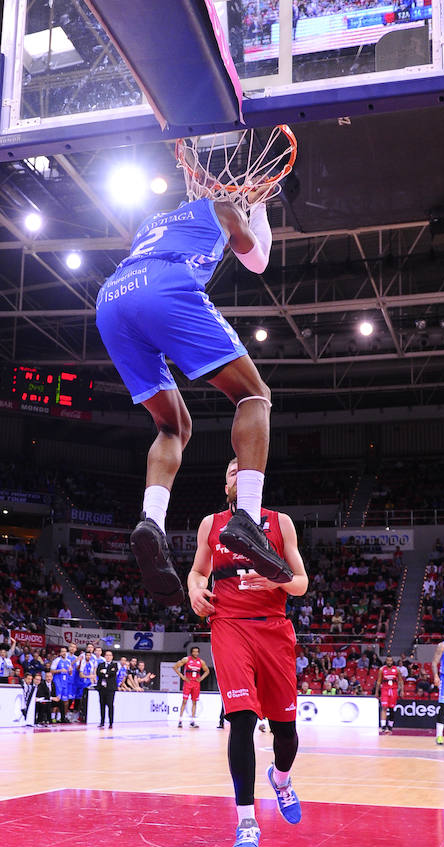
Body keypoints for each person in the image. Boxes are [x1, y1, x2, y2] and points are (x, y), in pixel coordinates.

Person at [95, 180, 292, 607]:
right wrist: (257, 209)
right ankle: (248, 518)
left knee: (172, 425)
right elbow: (258, 261)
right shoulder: (222, 210)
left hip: (112, 297)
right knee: (253, 395)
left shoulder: (150, 222)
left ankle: (152, 522)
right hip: (165, 286)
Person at [188, 457, 308, 847]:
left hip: (274, 628)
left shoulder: (281, 523)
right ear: (226, 486)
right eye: (231, 471)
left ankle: (282, 778)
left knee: (285, 732)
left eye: (245, 469)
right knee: (241, 718)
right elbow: (197, 573)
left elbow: (302, 584)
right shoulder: (211, 524)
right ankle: (246, 823)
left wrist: (276, 577)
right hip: (229, 626)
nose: (238, 474)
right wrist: (194, 591)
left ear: (258, 481)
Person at [174, 646, 210, 728]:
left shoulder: (201, 662)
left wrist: (201, 678)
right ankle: (180, 720)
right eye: (194, 651)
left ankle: (192, 721)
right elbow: (175, 667)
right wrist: (182, 677)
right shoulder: (186, 659)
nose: (195, 653)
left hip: (196, 684)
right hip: (188, 682)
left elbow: (207, 671)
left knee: (194, 702)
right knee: (184, 701)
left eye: (197, 652)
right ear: (191, 652)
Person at [376, 655, 403, 734]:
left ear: (392, 661)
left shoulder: (396, 670)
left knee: (392, 708)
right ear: (386, 661)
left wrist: (402, 690)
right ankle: (383, 726)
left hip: (393, 690)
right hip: (384, 690)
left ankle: (390, 727)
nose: (389, 662)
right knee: (384, 707)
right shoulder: (382, 670)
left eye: (390, 661)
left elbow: (400, 680)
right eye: (388, 661)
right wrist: (377, 692)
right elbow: (378, 681)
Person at [50, 646, 74, 723]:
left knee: (65, 701)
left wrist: (70, 671)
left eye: (65, 651)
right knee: (57, 699)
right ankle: (53, 717)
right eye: (62, 651)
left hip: (65, 682)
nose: (64, 653)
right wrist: (60, 670)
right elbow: (51, 671)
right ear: (60, 653)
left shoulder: (68, 661)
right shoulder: (57, 660)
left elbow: (70, 673)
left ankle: (60, 717)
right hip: (58, 682)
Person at [96, 650, 119, 728]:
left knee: (110, 705)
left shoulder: (114, 665)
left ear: (112, 657)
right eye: (107, 655)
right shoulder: (100, 664)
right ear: (105, 656)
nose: (108, 657)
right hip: (102, 688)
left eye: (110, 655)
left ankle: (111, 723)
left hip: (110, 689)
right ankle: (102, 722)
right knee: (102, 705)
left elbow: (112, 673)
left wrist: (105, 673)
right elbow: (98, 673)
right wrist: (106, 673)